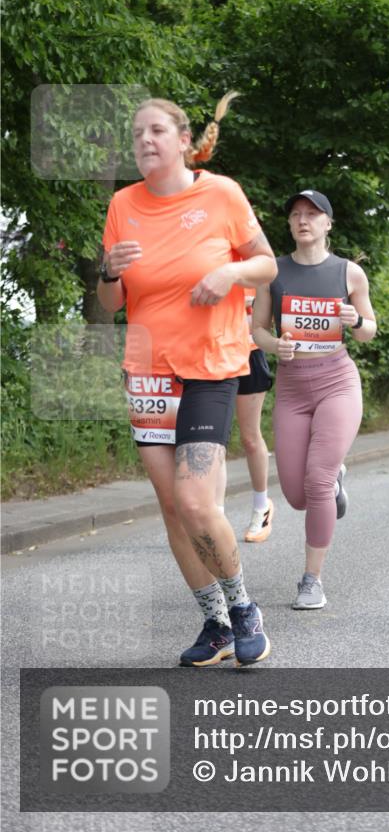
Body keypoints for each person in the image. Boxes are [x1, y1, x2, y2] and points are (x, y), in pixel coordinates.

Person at [98, 93, 277, 666]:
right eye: (136, 134)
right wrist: (108, 272)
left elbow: (267, 263)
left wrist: (229, 272)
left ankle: (244, 609)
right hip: (149, 374)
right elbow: (110, 303)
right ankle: (216, 624)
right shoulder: (122, 204)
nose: (144, 141)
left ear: (182, 141)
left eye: (155, 131)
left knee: (197, 501)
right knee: (173, 508)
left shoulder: (220, 194)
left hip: (211, 366)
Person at [252, 190, 377, 609]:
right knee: (296, 495)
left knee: (317, 481)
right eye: (296, 215)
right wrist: (275, 345)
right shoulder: (273, 272)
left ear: (327, 224)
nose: (303, 220)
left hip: (336, 381)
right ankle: (334, 477)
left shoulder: (349, 273)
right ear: (289, 224)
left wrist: (355, 320)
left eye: (312, 214)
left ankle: (312, 580)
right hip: (292, 387)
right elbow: (257, 329)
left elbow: (369, 330)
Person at [236, 286, 275, 543]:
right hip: (211, 351)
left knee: (250, 438)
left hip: (249, 351)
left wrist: (254, 304)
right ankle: (213, 516)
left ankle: (262, 508)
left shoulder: (258, 268)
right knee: (210, 443)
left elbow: (277, 313)